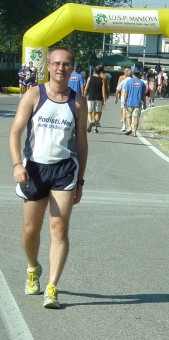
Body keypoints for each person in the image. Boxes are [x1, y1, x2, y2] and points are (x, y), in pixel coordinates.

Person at [9, 47, 88, 309]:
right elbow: (15, 132)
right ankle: (33, 267)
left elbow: (82, 143)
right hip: (34, 169)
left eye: (66, 64)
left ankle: (52, 288)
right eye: (56, 63)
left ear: (72, 68)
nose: (60, 68)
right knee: (31, 229)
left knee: (59, 229)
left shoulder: (78, 101)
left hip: (64, 170)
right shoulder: (34, 94)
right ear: (49, 67)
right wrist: (17, 164)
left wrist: (80, 181)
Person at [123, 67, 147, 137]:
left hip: (129, 102)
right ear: (139, 74)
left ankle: (129, 127)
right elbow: (144, 95)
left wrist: (124, 101)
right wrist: (144, 103)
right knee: (136, 117)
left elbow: (126, 92)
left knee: (128, 115)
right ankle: (135, 133)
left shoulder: (129, 82)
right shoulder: (142, 83)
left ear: (133, 73)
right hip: (138, 103)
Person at [84, 65, 106, 133]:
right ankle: (95, 128)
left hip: (91, 97)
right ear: (100, 72)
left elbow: (86, 88)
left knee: (89, 112)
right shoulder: (101, 80)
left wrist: (84, 97)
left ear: (94, 71)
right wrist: (104, 100)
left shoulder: (90, 78)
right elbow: (103, 90)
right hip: (99, 98)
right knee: (98, 113)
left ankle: (91, 121)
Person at [115, 68, 132, 132]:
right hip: (131, 98)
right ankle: (130, 126)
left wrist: (116, 98)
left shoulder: (123, 81)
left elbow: (117, 89)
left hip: (123, 98)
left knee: (124, 112)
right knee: (130, 112)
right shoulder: (133, 81)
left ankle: (124, 126)